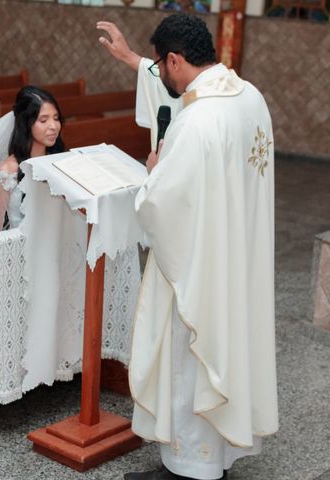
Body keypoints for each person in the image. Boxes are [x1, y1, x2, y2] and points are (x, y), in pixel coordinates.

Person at [97, 14, 278, 480]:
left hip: (201, 266)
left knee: (190, 358)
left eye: (163, 63)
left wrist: (153, 170)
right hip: (238, 257)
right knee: (227, 349)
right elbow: (184, 98)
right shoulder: (249, 97)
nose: (163, 73)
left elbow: (160, 204)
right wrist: (131, 60)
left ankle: (189, 468)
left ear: (176, 59)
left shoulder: (196, 122)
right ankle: (220, 453)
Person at [0, 85, 64, 232]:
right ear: (26, 123)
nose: (53, 126)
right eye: (43, 120)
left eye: (56, 119)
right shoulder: (7, 171)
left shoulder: (59, 161)